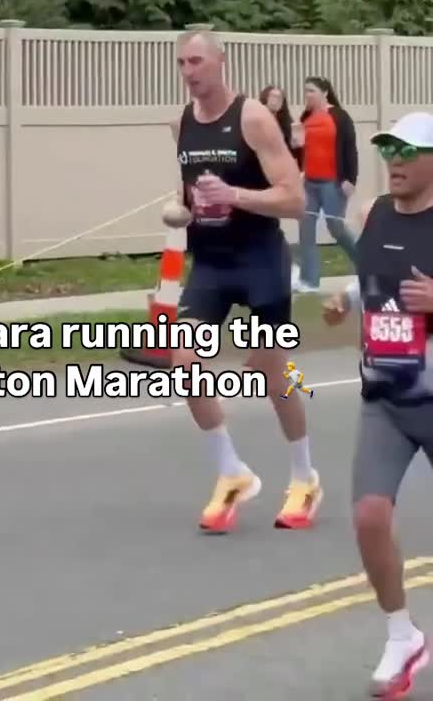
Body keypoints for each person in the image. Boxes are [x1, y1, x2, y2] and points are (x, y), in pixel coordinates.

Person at [170, 29, 323, 534]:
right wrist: (179, 209)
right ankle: (231, 471)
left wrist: (235, 195)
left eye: (197, 61)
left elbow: (295, 200)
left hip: (259, 260)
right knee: (183, 359)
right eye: (182, 63)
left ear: (220, 62)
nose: (190, 72)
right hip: (211, 263)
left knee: (269, 369)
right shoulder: (183, 125)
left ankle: (304, 477)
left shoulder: (252, 118)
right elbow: (188, 194)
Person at [322, 111, 433, 698]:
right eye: (389, 149)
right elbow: (373, 272)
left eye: (409, 151)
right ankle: (401, 634)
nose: (395, 160)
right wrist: (344, 298)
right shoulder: (379, 214)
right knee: (368, 517)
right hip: (386, 396)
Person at [293, 75, 358, 293]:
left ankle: (368, 265)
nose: (307, 95)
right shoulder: (306, 117)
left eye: (311, 91)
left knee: (336, 227)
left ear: (324, 92)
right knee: (306, 229)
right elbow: (301, 148)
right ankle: (309, 281)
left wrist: (351, 179)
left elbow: (350, 148)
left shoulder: (339, 116)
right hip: (310, 182)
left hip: (333, 182)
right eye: (306, 91)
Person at [260, 85, 302, 163]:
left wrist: (296, 143)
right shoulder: (256, 116)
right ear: (265, 98)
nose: (276, 101)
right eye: (273, 96)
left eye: (280, 98)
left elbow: (292, 151)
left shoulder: (285, 121)